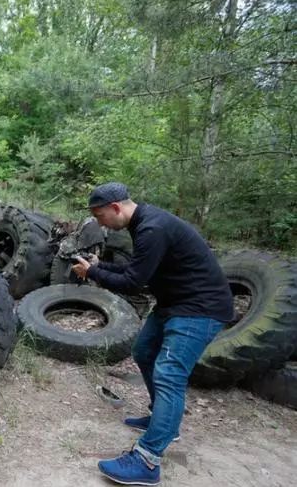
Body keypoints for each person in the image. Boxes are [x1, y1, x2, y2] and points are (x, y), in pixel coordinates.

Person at [71, 182, 233, 486]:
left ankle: (147, 461)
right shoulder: (144, 223)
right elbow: (140, 268)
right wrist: (99, 265)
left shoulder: (151, 228)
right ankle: (164, 419)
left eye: (101, 215)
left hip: (199, 309)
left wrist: (92, 274)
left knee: (169, 374)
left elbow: (133, 282)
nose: (100, 223)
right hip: (176, 303)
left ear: (116, 207)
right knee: (144, 351)